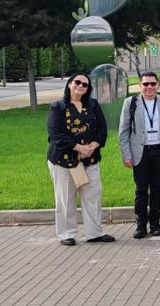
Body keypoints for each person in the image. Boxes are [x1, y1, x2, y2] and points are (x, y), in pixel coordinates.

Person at [46, 73, 115, 246]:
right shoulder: (58, 107)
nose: (81, 86)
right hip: (63, 161)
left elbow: (102, 128)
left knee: (93, 196)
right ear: (69, 84)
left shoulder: (93, 105)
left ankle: (94, 232)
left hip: (89, 160)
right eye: (77, 82)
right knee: (65, 198)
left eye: (85, 84)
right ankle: (66, 234)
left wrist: (93, 145)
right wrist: (78, 148)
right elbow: (55, 134)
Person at [119, 72, 160, 239]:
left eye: (152, 84)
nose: (149, 87)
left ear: (158, 85)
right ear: (140, 86)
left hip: (159, 150)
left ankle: (155, 224)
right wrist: (126, 154)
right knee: (141, 190)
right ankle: (141, 225)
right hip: (139, 152)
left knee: (157, 190)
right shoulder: (131, 103)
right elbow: (124, 131)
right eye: (145, 84)